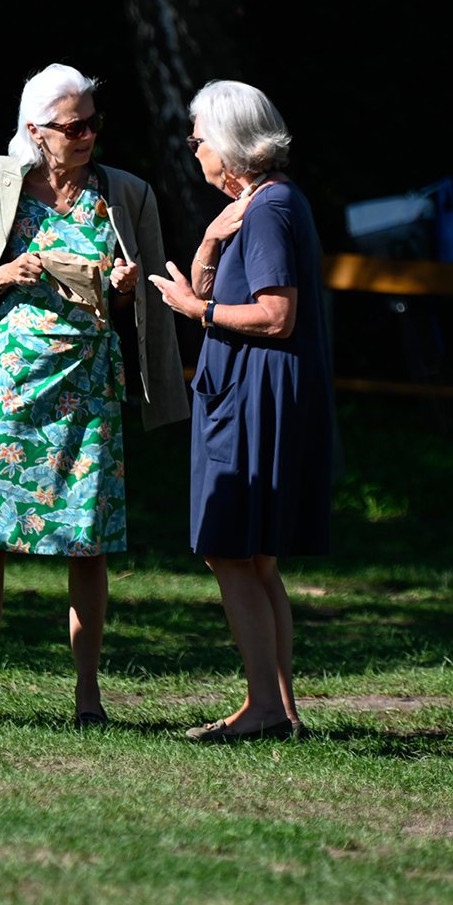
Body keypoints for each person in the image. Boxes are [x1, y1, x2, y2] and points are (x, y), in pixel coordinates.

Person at [0, 64, 187, 724]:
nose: (86, 136)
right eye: (72, 126)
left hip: (88, 390)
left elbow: (135, 299)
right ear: (34, 131)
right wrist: (5, 272)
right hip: (11, 389)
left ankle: (88, 694)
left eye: (92, 124)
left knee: (89, 544)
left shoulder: (121, 194)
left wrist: (129, 287)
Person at [148, 80, 336, 742]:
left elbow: (275, 316)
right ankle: (278, 709)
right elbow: (217, 287)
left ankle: (263, 707)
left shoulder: (270, 210)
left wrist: (193, 310)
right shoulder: (256, 207)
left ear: (226, 143)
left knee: (232, 551)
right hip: (242, 394)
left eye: (196, 140)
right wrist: (204, 246)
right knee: (252, 558)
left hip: (255, 398)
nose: (192, 152)